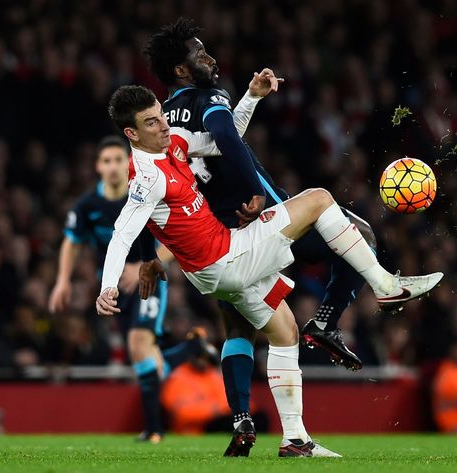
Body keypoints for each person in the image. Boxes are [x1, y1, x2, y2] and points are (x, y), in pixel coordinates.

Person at [95, 85, 442, 456]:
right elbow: (122, 233)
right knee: (320, 199)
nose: (163, 125)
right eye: (151, 123)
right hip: (226, 258)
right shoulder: (146, 178)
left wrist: (251, 97)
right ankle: (385, 284)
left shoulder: (174, 142)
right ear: (131, 134)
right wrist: (108, 287)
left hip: (216, 271)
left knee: (285, 333)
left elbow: (230, 137)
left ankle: (296, 440)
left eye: (160, 115)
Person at [142, 18, 377, 454]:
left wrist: (154, 254)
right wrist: (254, 189)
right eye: (199, 53)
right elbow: (227, 137)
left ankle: (252, 423)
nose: (210, 58)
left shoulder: (164, 121)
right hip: (263, 220)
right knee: (358, 233)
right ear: (180, 69)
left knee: (255, 329)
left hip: (218, 238)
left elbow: (213, 146)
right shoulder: (207, 96)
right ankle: (330, 318)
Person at [48, 136, 217, 443]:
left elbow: (172, 237)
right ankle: (192, 349)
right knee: (146, 357)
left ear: (127, 162)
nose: (113, 167)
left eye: (118, 160)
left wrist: (140, 266)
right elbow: (71, 241)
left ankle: (154, 429)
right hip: (114, 287)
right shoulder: (88, 205)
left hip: (146, 279)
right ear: (98, 166)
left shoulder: (146, 190)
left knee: (139, 343)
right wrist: (62, 280)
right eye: (107, 161)